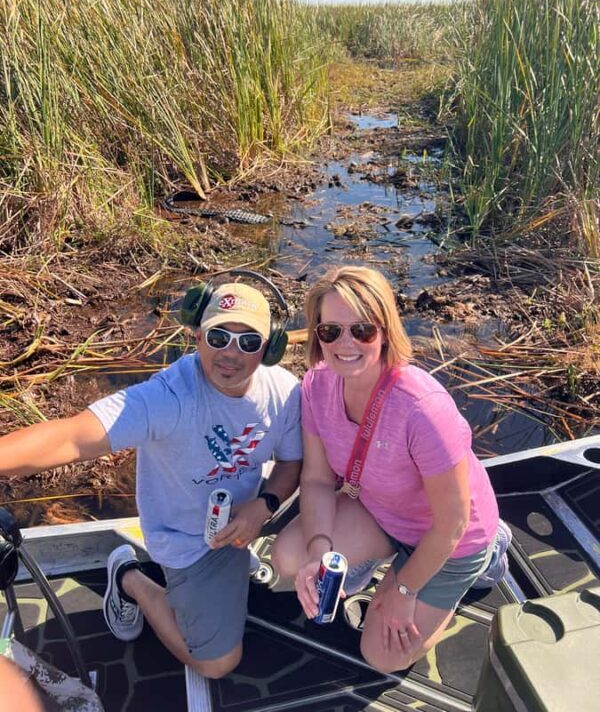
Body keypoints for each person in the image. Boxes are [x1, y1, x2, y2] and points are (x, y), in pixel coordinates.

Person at [0, 274, 302, 679]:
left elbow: (291, 463)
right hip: (189, 542)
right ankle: (130, 578)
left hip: (244, 518)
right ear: (196, 336)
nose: (231, 353)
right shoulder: (168, 397)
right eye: (218, 338)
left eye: (248, 341)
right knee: (217, 664)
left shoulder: (284, 392)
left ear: (268, 349)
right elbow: (70, 437)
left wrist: (264, 506)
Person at [271, 265, 510, 673]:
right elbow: (315, 480)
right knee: (289, 557)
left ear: (384, 331)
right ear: (317, 335)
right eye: (330, 331)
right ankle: (372, 562)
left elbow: (452, 523)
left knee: (382, 655)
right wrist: (319, 552)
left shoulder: (422, 408)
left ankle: (490, 557)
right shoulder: (317, 385)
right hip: (383, 512)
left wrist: (404, 589)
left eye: (361, 330)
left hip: (453, 540)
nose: (345, 344)